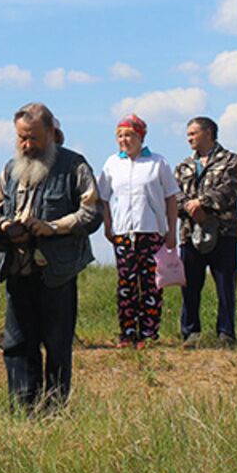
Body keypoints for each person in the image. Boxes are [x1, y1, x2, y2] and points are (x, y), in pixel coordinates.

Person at [0, 103, 100, 410]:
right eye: (22, 138)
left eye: (34, 138)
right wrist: (5, 228)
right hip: (18, 269)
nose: (27, 145)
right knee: (16, 344)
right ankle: (23, 407)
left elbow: (92, 213)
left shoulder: (74, 165)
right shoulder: (10, 169)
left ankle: (53, 409)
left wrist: (52, 228)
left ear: (51, 133)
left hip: (57, 273)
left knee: (57, 345)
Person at [97, 114, 179, 348]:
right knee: (126, 284)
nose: (124, 140)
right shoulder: (112, 163)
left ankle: (149, 333)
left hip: (152, 231)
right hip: (124, 234)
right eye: (120, 135)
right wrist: (108, 224)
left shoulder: (157, 162)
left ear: (140, 136)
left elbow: (171, 197)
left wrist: (172, 231)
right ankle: (127, 332)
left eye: (129, 135)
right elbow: (103, 198)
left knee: (151, 283)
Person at [173, 116, 237, 344]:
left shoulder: (230, 160)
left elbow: (230, 190)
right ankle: (190, 332)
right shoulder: (183, 166)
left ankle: (226, 333)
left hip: (224, 232)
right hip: (189, 233)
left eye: (193, 133)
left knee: (225, 286)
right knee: (190, 286)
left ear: (208, 133)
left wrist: (202, 204)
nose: (189, 138)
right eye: (188, 134)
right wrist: (190, 208)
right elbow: (174, 194)